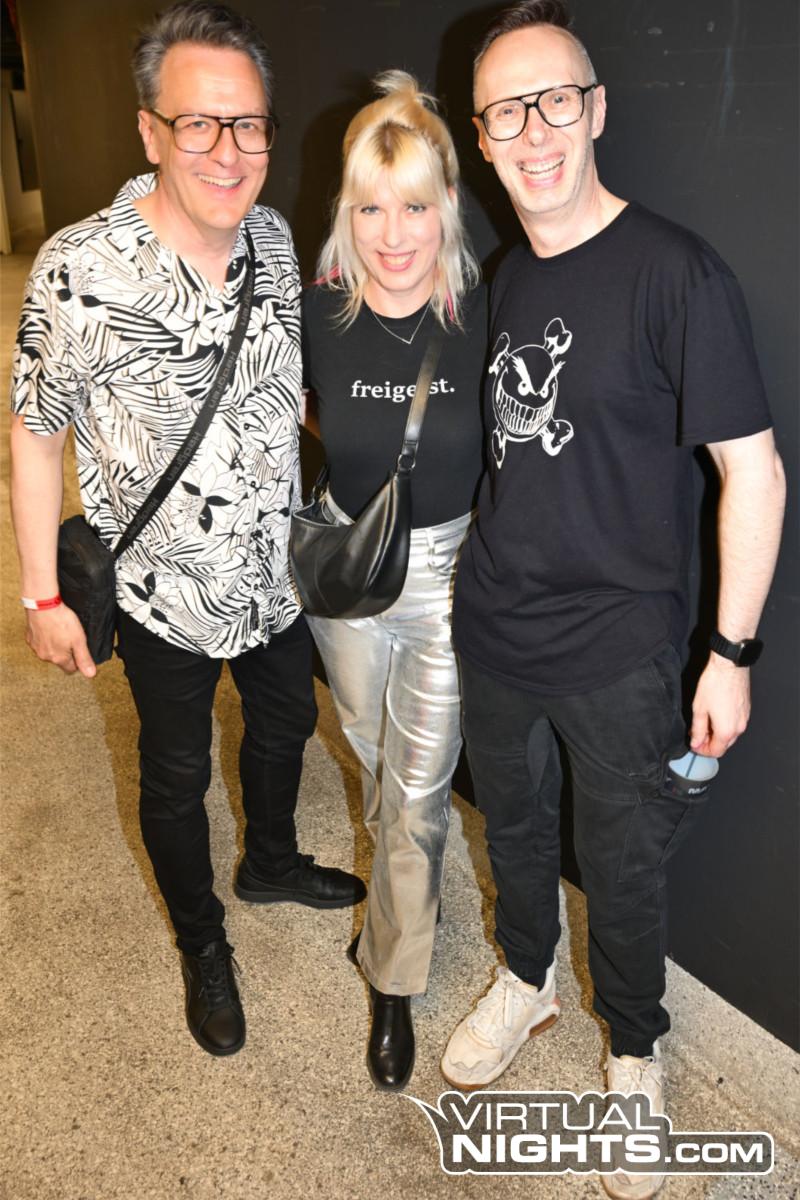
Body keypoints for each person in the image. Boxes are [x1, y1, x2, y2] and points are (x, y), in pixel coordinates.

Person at [440, 3, 785, 1197]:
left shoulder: (675, 273)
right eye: (504, 111)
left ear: (594, 110)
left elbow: (753, 472)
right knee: (514, 831)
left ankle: (633, 1051)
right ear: (480, 137)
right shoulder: (503, 277)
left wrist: (728, 653)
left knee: (624, 869)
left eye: (553, 100)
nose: (531, 131)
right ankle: (525, 979)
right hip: (494, 627)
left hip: (619, 648)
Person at [9, 0, 365, 1060]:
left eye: (247, 124)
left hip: (272, 574)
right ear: (150, 131)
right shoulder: (78, 269)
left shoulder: (274, 238)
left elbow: (283, 393)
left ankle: (270, 862)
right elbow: (34, 435)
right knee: (173, 778)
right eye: (198, 123)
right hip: (159, 592)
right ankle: (202, 944)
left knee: (284, 728)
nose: (227, 150)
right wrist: (40, 595)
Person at [301, 71, 486, 1090]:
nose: (392, 235)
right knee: (372, 755)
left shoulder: (486, 312)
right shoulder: (316, 313)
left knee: (416, 794)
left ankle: (394, 977)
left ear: (445, 204)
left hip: (445, 579)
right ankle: (402, 901)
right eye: (370, 209)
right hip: (346, 573)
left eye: (412, 206)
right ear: (346, 211)